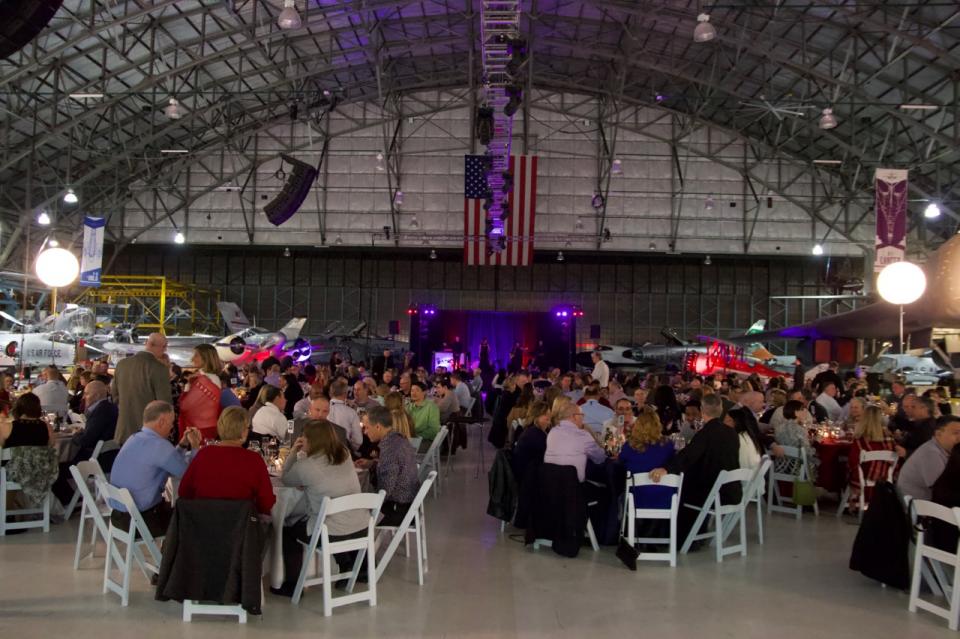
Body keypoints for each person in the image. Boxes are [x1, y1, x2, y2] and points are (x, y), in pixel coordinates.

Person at [272, 419, 369, 597]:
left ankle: (293, 585)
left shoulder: (306, 466)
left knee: (288, 529)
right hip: (360, 527)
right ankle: (347, 564)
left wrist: (294, 451)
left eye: (304, 437)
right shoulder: (345, 454)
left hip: (331, 533)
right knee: (331, 519)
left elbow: (285, 478)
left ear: (311, 440)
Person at [649, 394, 740, 545]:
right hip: (731, 489)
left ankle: (682, 540)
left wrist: (666, 469)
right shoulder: (731, 433)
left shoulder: (705, 433)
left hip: (714, 493)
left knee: (681, 489)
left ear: (702, 411)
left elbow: (688, 456)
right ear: (721, 409)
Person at [109, 401, 201, 537]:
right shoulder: (159, 445)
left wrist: (182, 445)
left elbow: (169, 462)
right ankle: (178, 557)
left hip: (119, 517)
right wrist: (195, 447)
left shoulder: (134, 438)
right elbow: (190, 474)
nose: (172, 427)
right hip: (142, 522)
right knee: (195, 516)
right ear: (162, 421)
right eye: (171, 422)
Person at [177, 406, 275, 514]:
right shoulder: (254, 460)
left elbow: (184, 492)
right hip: (241, 526)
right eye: (248, 428)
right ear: (243, 432)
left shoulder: (204, 454)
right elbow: (266, 503)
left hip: (203, 524)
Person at [355, 406, 419, 525]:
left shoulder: (389, 449)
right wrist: (372, 463)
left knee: (353, 518)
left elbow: (384, 492)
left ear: (378, 427)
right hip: (408, 504)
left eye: (367, 428)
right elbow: (394, 468)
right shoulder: (398, 439)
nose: (365, 432)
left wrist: (363, 504)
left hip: (397, 510)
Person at [112, 333, 173, 444]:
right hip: (149, 435)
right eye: (164, 347)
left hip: (123, 431)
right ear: (161, 347)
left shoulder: (122, 364)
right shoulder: (159, 369)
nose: (165, 350)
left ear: (147, 344)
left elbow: (114, 395)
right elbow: (164, 404)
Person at [619, 406, 676, 517]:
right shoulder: (668, 445)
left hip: (636, 500)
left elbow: (620, 461)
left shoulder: (630, 446)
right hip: (665, 499)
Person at [845, 404, 897, 512]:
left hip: (864, 474)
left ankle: (853, 499)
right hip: (885, 474)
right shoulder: (888, 436)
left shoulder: (860, 438)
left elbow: (853, 461)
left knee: (844, 468)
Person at [543, 397, 606, 483]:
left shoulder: (552, 432)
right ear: (574, 417)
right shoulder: (582, 435)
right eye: (582, 415)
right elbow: (600, 458)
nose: (583, 419)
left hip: (551, 485)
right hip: (574, 488)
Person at [898, 416, 960, 501]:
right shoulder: (931, 453)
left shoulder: (944, 450)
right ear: (938, 434)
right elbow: (943, 490)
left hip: (929, 503)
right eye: (956, 433)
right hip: (919, 508)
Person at [178, 344, 223, 442]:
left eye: (196, 355)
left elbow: (184, 405)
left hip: (201, 431)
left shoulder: (209, 379)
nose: (192, 359)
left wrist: (188, 386)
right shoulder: (201, 377)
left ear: (206, 358)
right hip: (199, 428)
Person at [68, 380, 117, 462]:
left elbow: (86, 441)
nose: (83, 397)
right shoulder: (109, 407)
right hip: (107, 455)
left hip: (95, 459)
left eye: (87, 394)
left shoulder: (101, 411)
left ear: (97, 396)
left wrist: (75, 434)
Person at [774, 400, 818, 480]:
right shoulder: (800, 429)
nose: (805, 411)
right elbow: (807, 451)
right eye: (802, 409)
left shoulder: (778, 428)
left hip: (781, 465)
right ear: (796, 413)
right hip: (796, 467)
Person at [511, 400, 551, 484]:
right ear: (536, 416)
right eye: (545, 414)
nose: (549, 417)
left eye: (549, 414)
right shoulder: (535, 434)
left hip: (526, 474)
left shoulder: (531, 429)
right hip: (528, 480)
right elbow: (546, 457)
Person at [328, 379, 362, 450]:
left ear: (330, 393)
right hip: (343, 452)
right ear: (345, 394)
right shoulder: (351, 413)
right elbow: (358, 440)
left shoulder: (321, 409)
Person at [408, 381, 440, 446]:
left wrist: (416, 436)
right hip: (410, 440)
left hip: (424, 441)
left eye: (417, 390)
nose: (414, 393)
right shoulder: (408, 407)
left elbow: (433, 430)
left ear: (424, 392)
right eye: (412, 391)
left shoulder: (431, 407)